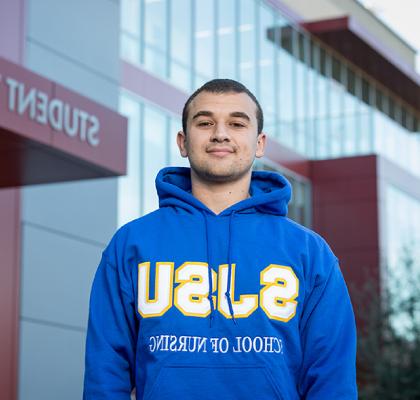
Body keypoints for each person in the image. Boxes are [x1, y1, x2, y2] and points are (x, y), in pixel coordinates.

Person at [83, 79, 357, 399]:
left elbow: (332, 379)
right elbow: (105, 370)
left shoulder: (310, 253)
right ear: (183, 142)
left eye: (237, 123)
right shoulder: (131, 243)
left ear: (260, 143)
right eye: (205, 122)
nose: (220, 133)